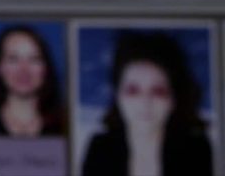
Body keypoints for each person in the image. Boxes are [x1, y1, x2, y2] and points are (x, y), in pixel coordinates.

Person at [81, 31, 212, 176]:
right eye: (133, 91)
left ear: (174, 99)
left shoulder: (196, 151)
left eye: (158, 92)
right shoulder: (100, 150)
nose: (145, 102)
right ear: (117, 97)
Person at [0, 26, 64, 137]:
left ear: (45, 68)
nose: (24, 69)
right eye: (13, 59)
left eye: (34, 59)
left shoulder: (64, 125)